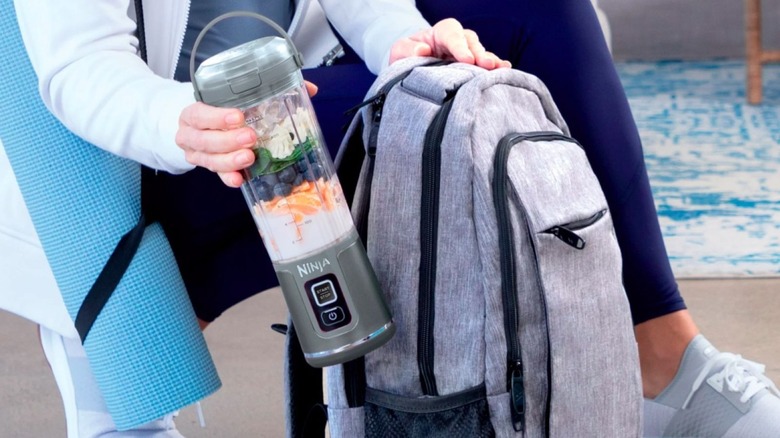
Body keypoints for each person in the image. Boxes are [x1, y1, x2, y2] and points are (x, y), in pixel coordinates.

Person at [3, 0, 778, 437]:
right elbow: (79, 68)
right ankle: (127, 363)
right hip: (141, 158)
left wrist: (406, 45)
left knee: (531, 16)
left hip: (281, 103)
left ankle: (668, 368)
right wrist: (180, 121)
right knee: (394, 122)